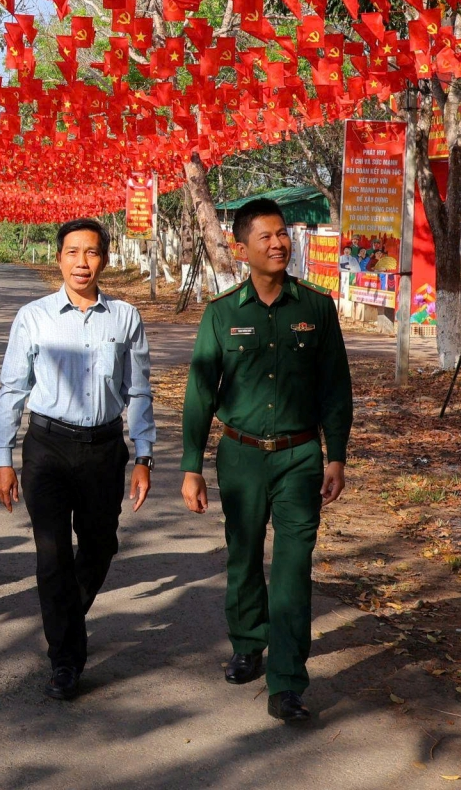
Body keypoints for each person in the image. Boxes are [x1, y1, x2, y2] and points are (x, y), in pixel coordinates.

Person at [179, 196, 353, 724]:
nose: (279, 244)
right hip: (241, 456)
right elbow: (200, 392)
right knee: (244, 554)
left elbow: (336, 387)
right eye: (266, 237)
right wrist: (191, 465)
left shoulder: (316, 308)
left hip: (300, 456)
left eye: (283, 235)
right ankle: (248, 642)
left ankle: (288, 682)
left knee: (294, 568)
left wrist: (337, 455)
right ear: (242, 249)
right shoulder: (222, 313)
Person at [0, 218, 154, 701]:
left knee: (100, 545)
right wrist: (3, 457)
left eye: (92, 252)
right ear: (58, 257)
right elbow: (13, 388)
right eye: (72, 252)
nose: (82, 262)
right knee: (53, 555)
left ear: (105, 258)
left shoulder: (125, 317)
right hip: (47, 448)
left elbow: (138, 390)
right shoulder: (34, 316)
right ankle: (65, 660)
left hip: (104, 449)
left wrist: (144, 455)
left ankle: (65, 619)